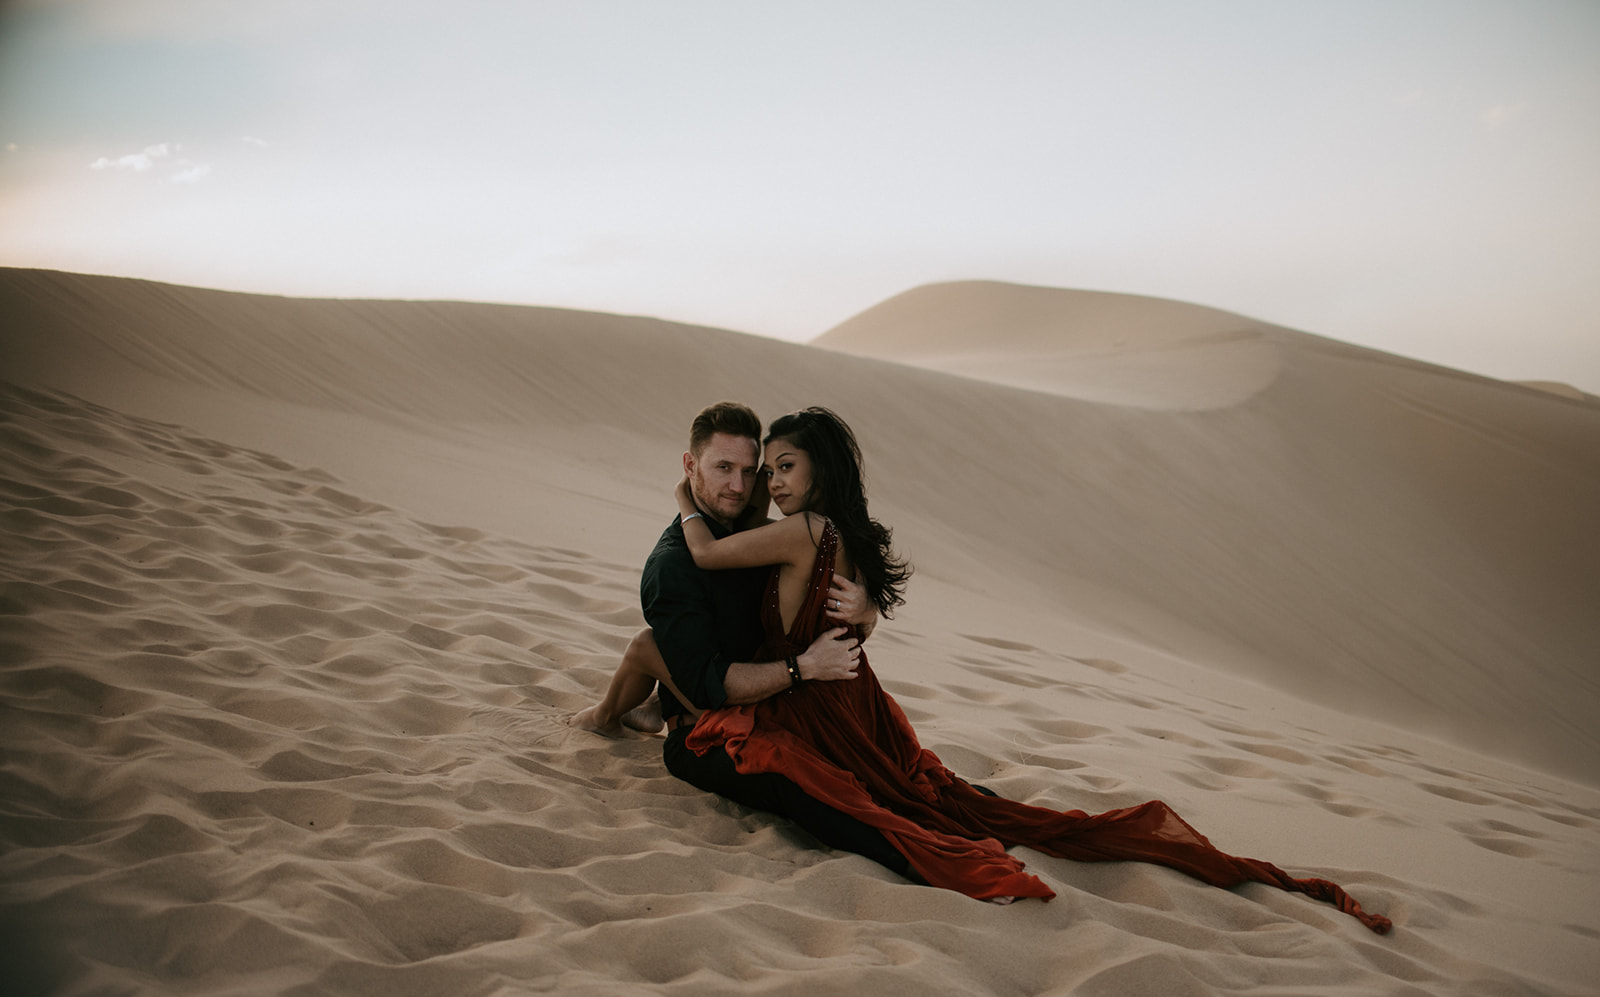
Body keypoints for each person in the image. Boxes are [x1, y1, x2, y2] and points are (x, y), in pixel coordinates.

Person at [662, 405, 1393, 933]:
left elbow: (705, 555)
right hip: (858, 696)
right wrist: (864, 613)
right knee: (927, 793)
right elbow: (835, 593)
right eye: (768, 468)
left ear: (818, 469)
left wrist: (683, 497)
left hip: (819, 699)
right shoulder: (838, 531)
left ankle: (975, 868)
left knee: (869, 802)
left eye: (784, 465)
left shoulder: (803, 528)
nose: (772, 480)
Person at [570, 401, 918, 877]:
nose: (744, 485)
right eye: (724, 469)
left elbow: (832, 612)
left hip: (796, 706)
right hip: (710, 727)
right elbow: (707, 685)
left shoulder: (770, 533)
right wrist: (803, 668)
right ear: (691, 465)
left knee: (901, 781)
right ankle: (617, 714)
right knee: (808, 789)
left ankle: (622, 711)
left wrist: (867, 607)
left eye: (752, 471)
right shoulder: (676, 568)